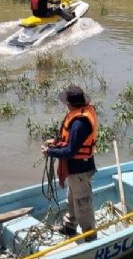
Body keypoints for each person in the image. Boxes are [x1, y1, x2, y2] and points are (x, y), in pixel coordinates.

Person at [41, 85, 99, 241]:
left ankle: (90, 237)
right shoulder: (78, 117)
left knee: (82, 205)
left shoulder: (80, 123)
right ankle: (70, 227)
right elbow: (71, 142)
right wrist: (56, 141)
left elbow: (70, 151)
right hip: (75, 170)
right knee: (72, 200)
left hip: (80, 170)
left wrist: (50, 152)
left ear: (70, 104)